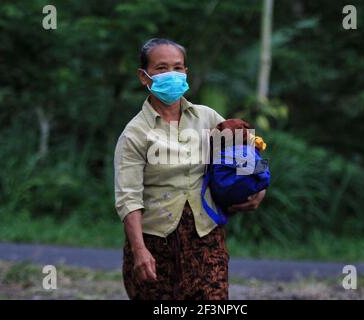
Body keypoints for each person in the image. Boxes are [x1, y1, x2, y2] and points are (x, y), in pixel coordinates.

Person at [114, 38, 266, 300]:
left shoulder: (207, 117)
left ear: (186, 72)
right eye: (161, 68)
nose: (171, 74)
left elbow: (246, 150)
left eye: (178, 67)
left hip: (206, 237)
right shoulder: (135, 133)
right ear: (144, 77)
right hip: (154, 243)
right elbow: (128, 197)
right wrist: (139, 251)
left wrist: (258, 188)